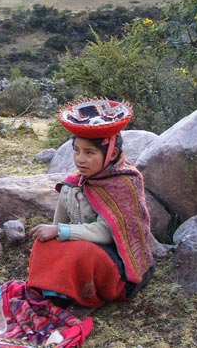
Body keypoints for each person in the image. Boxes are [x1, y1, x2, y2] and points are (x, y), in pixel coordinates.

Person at [28, 98, 154, 309]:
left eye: (89, 153)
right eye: (76, 151)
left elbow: (106, 233)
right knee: (44, 244)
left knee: (83, 253)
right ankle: (54, 291)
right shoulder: (72, 184)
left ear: (111, 154)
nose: (80, 159)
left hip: (119, 266)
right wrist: (55, 233)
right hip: (83, 246)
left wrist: (60, 231)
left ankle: (81, 295)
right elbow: (57, 225)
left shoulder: (125, 182)